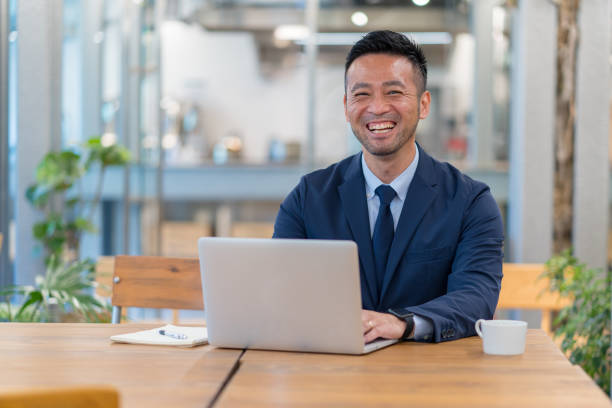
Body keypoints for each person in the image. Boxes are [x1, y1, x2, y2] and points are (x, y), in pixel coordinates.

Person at [273, 30, 504, 343]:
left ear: (423, 104)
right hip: (332, 373)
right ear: (346, 106)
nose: (377, 108)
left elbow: (476, 298)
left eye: (394, 92)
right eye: (362, 94)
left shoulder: (470, 202)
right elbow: (281, 290)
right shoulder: (308, 198)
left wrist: (404, 323)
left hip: (434, 378)